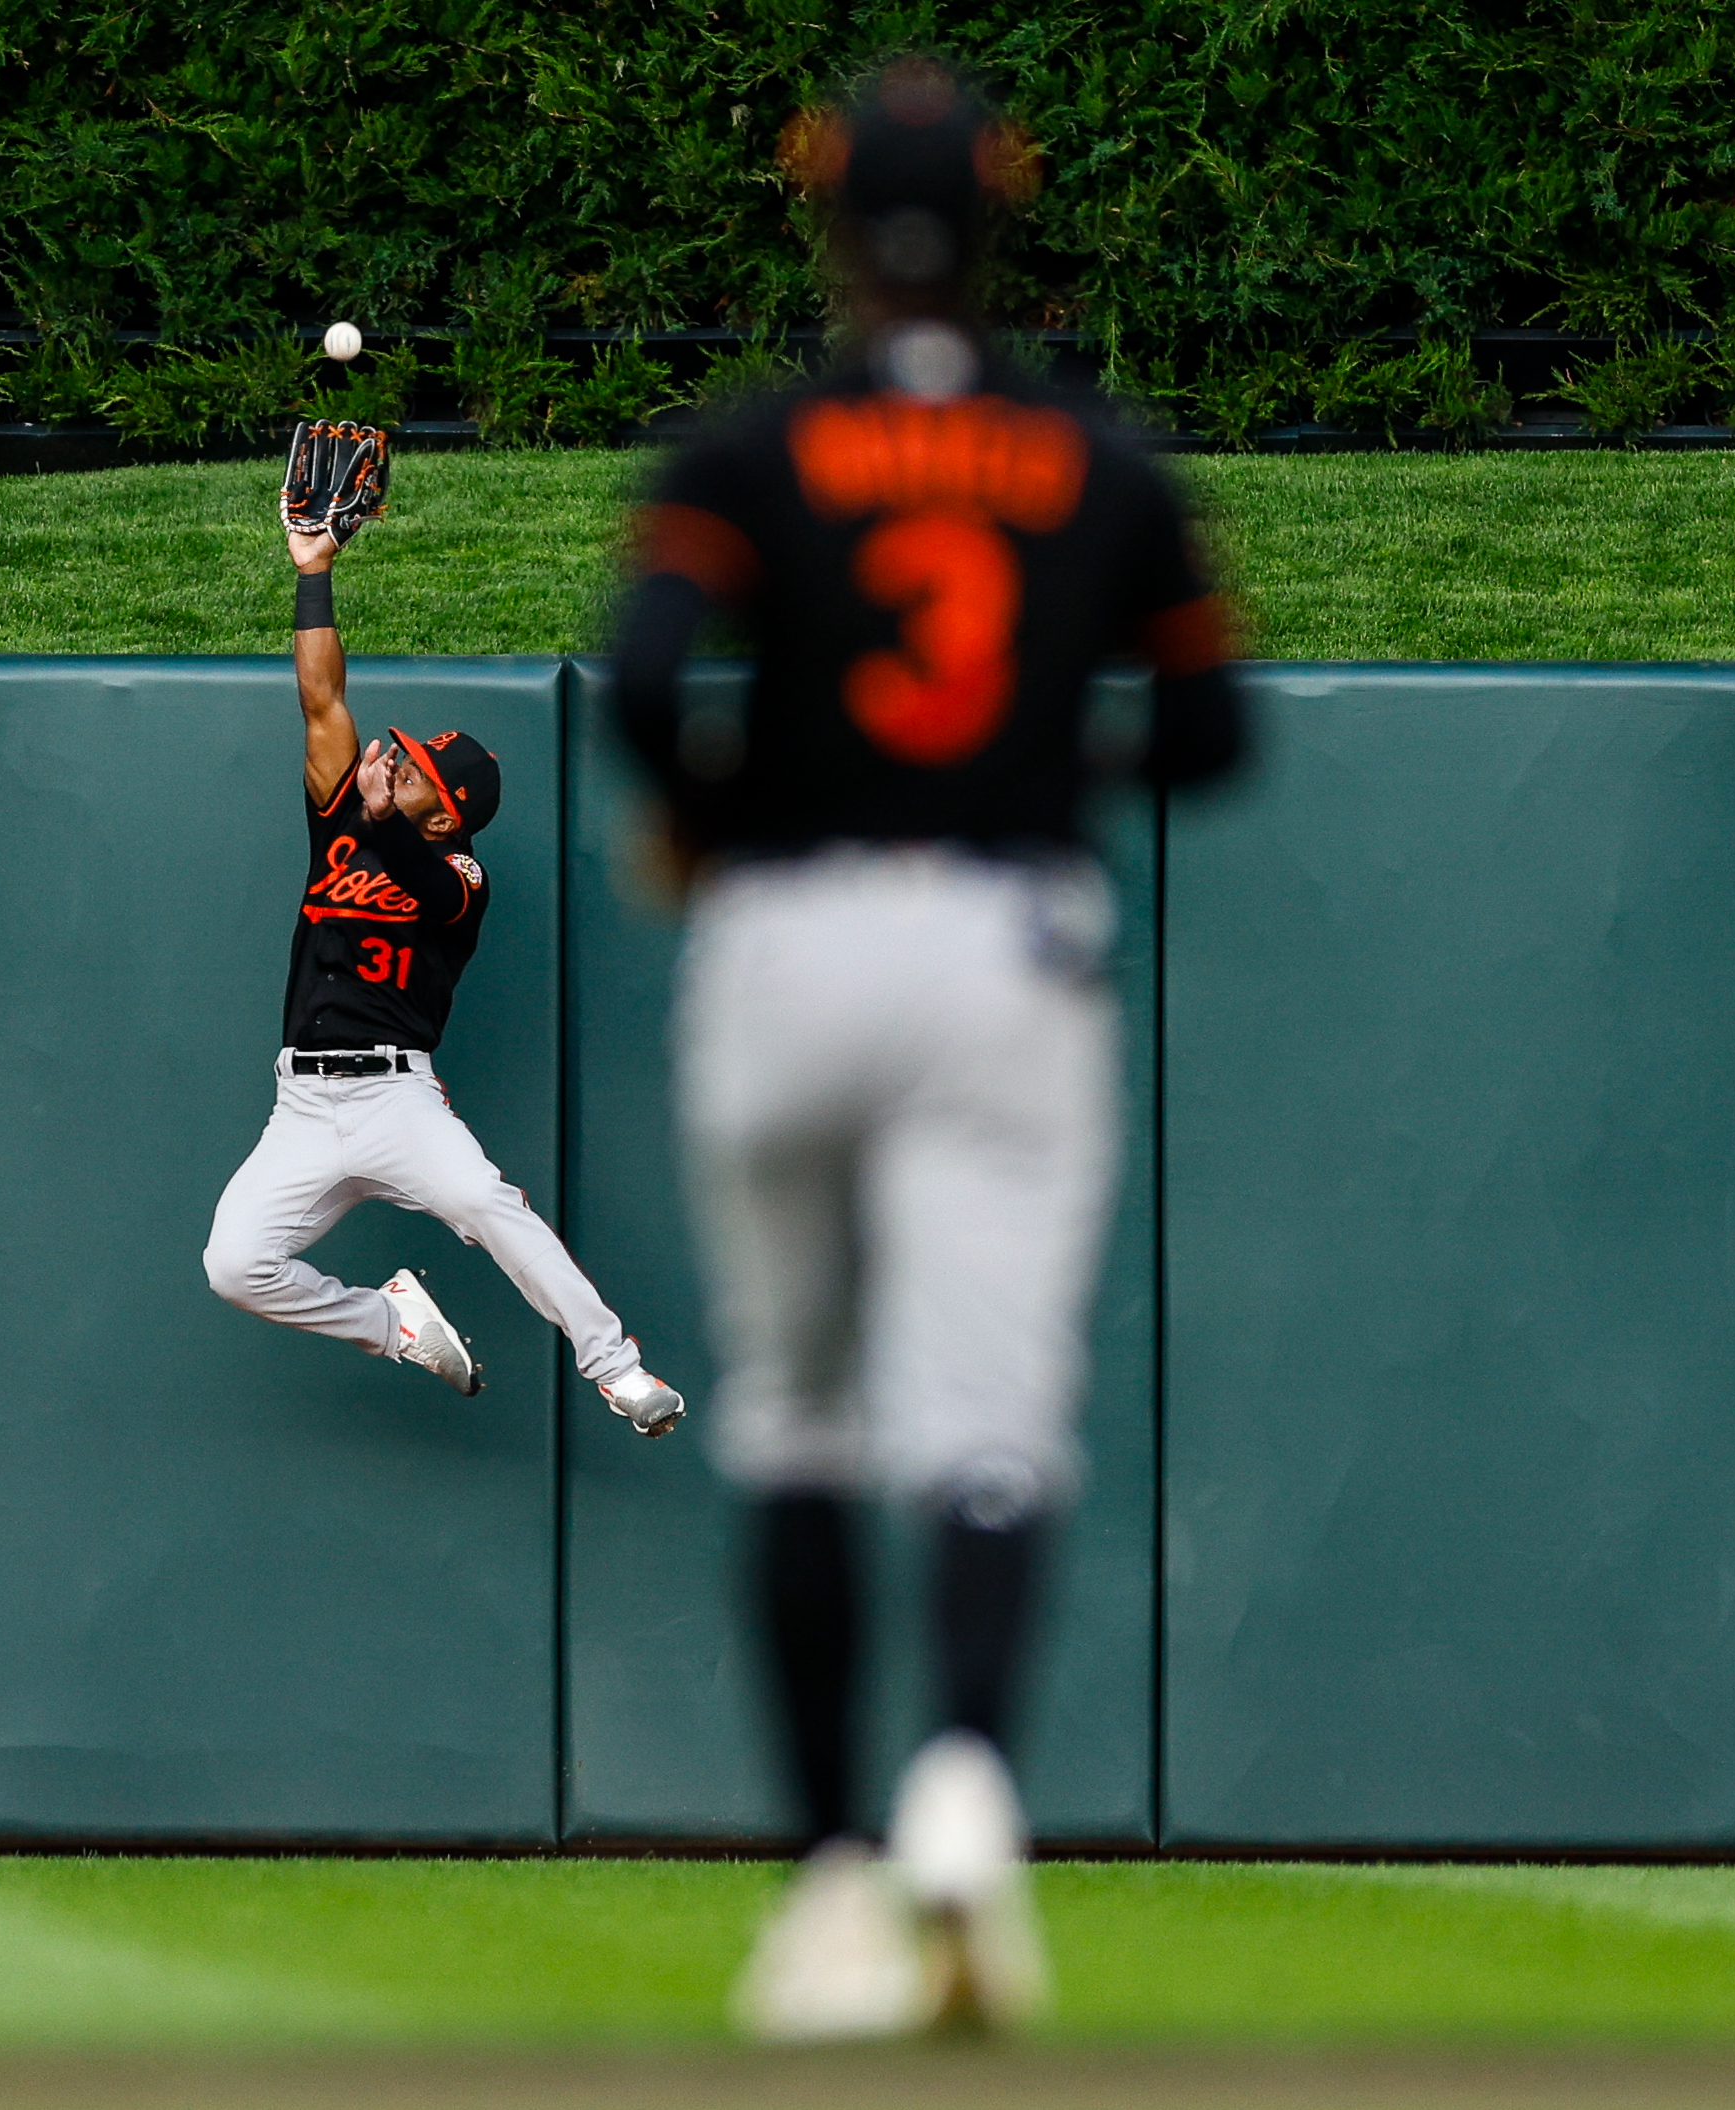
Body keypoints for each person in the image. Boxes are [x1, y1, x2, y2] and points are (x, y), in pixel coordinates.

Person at [608, 59, 1251, 2038]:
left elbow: (636, 681)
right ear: (996, 216)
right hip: (1000, 931)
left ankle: (823, 1891)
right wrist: (1045, 757)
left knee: (797, 1407)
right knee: (987, 1418)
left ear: (822, 220)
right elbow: (1220, 737)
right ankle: (961, 1774)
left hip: (785, 929)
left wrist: (722, 803)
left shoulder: (748, 445)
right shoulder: (1098, 460)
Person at [203, 425, 687, 1441]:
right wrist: (313, 573)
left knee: (493, 1209)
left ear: (445, 809)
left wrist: (384, 818)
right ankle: (392, 1323)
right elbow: (322, 695)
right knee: (235, 1266)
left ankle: (619, 1370)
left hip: (395, 1099)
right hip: (302, 1101)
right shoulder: (347, 817)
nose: (397, 755)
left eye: (417, 765)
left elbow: (419, 877)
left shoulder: (459, 875)